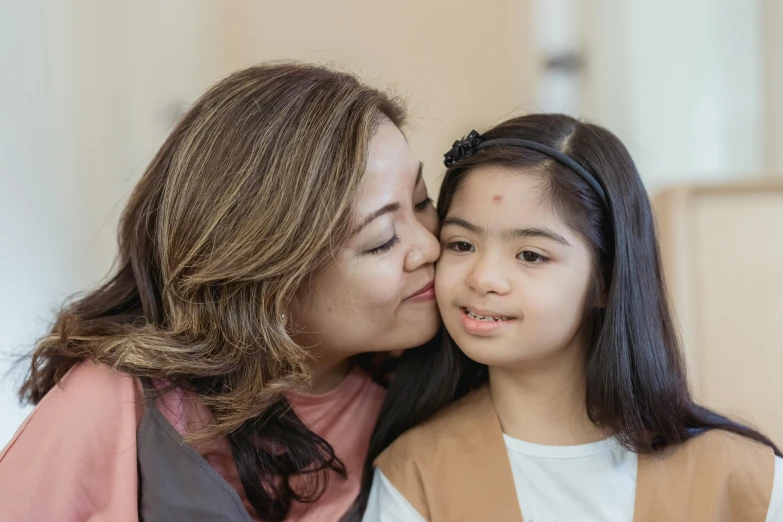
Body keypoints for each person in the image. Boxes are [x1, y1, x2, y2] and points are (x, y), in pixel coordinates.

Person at [0, 62, 440, 522]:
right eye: (382, 239)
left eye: (423, 201)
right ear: (268, 278)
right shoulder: (114, 400)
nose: (430, 245)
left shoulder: (431, 390)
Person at [358, 114, 783, 521]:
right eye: (461, 244)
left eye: (531, 255)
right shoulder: (415, 473)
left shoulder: (744, 479)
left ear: (606, 281)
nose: (483, 278)